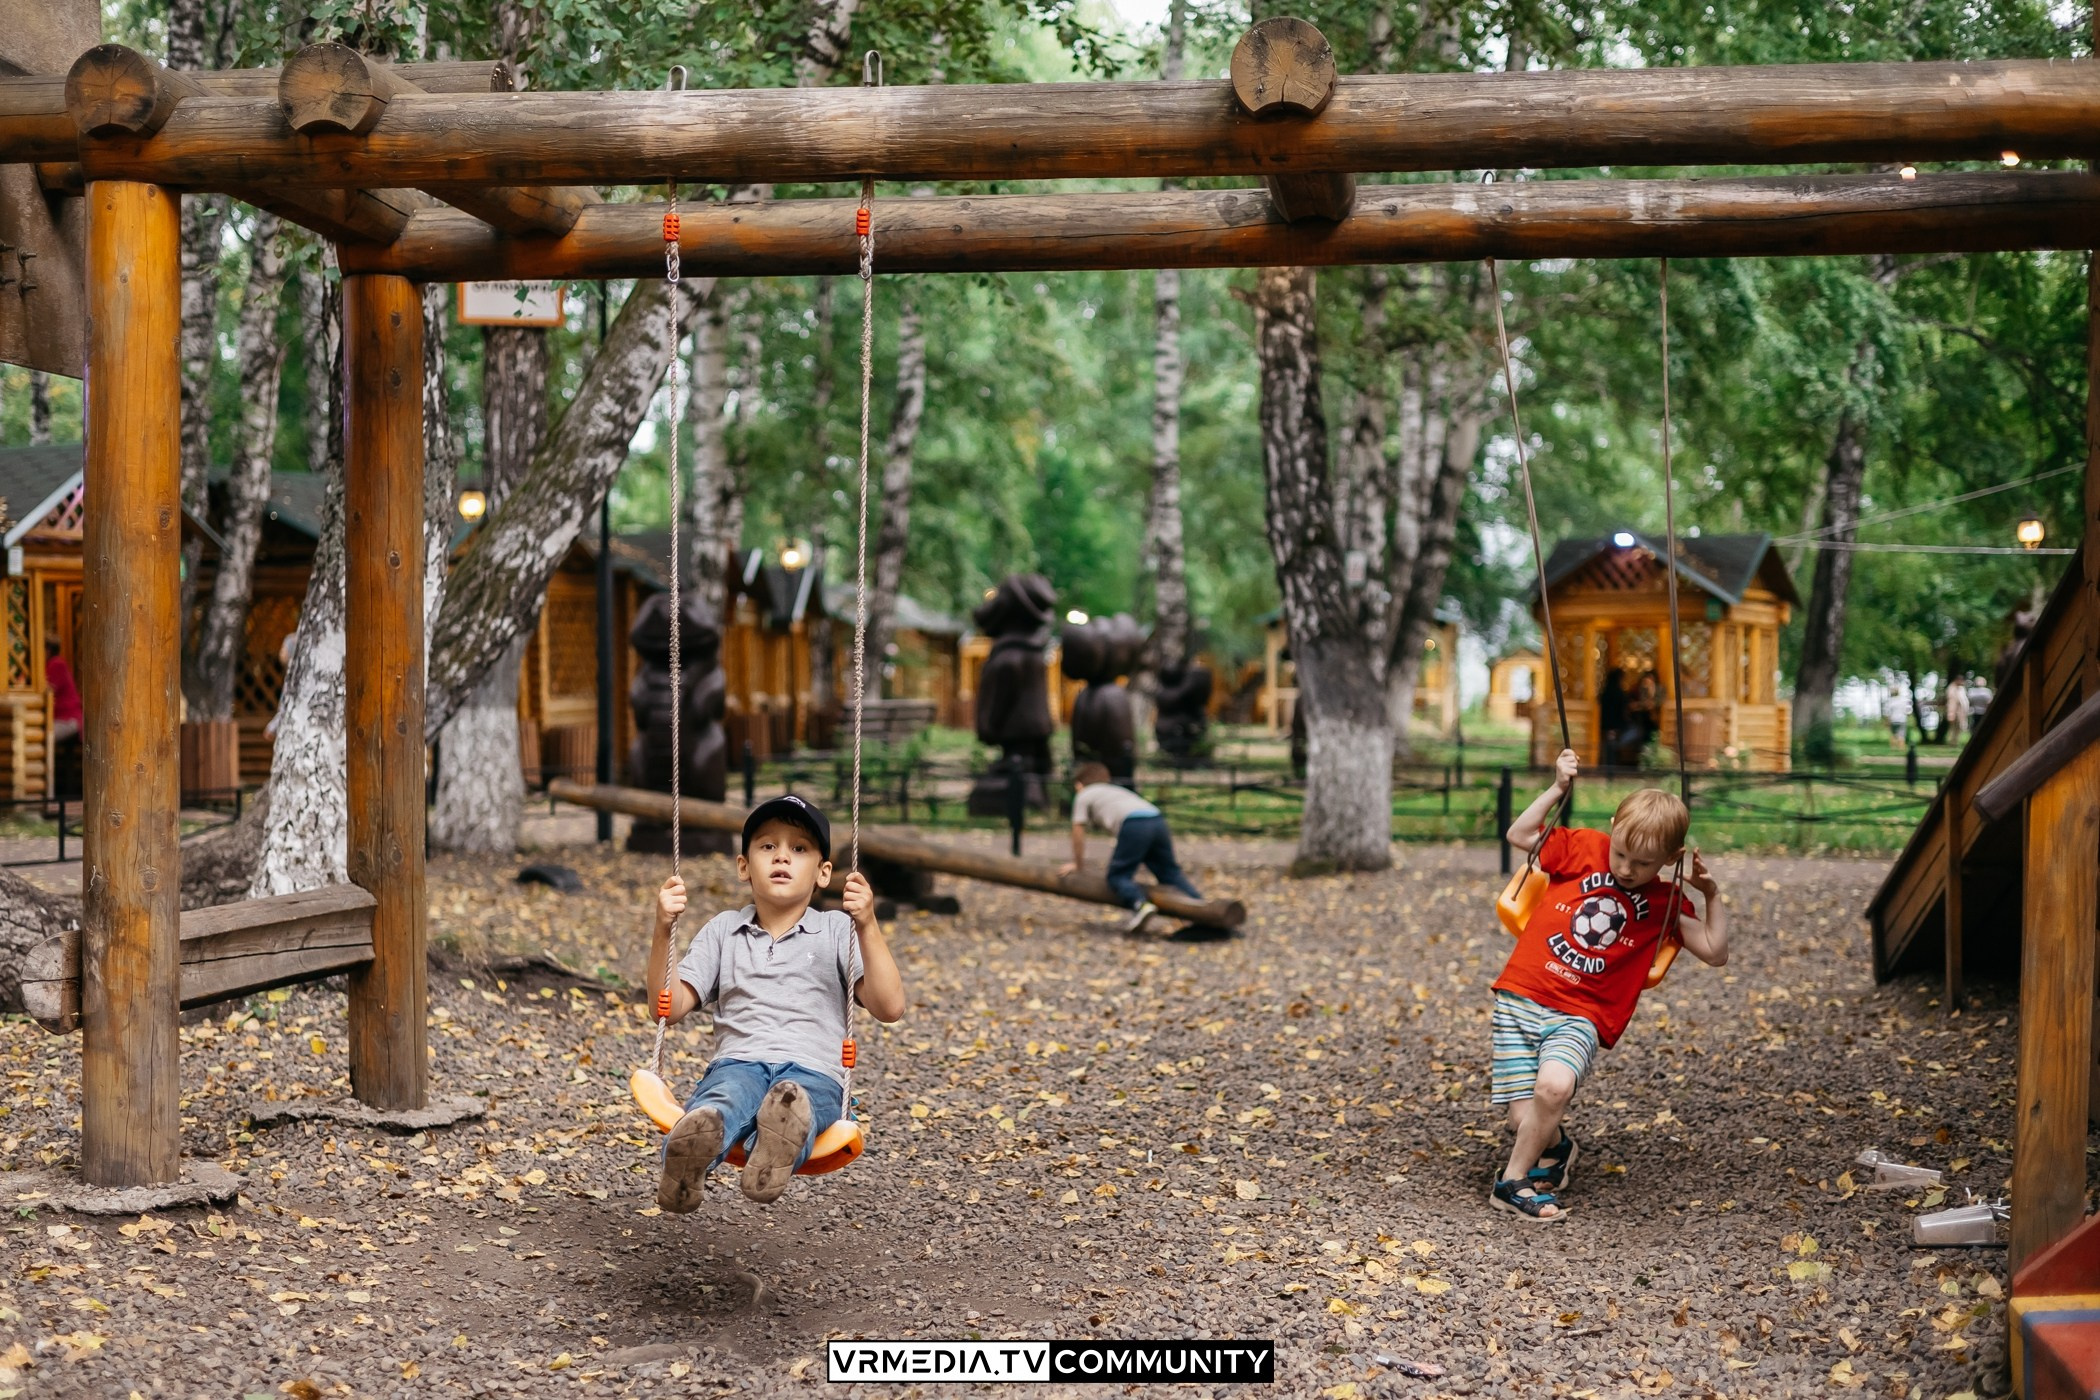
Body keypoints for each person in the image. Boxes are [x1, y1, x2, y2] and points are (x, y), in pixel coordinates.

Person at [1489, 748, 1729, 1221]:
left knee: (1553, 1091)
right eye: (1620, 852)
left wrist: (1712, 894)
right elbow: (1519, 834)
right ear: (1612, 825)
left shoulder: (1665, 902)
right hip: (1520, 997)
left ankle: (1512, 1183)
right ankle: (1557, 1152)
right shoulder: (1582, 847)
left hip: (1582, 1014)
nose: (1625, 868)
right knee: (1526, 1121)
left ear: (1671, 858)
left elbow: (1715, 952)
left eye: (1642, 863)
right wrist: (1558, 788)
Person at [646, 794, 906, 1210]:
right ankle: (689, 1161)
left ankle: (773, 1156)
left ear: (823, 873)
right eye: (768, 846)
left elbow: (890, 1007)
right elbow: (669, 1006)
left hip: (814, 1072)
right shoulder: (723, 930)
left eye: (799, 849)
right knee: (723, 1101)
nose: (782, 857)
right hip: (738, 1064)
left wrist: (868, 924)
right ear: (744, 867)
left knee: (796, 1104)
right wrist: (663, 929)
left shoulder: (838, 931)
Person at [1061, 761, 1203, 934]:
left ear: (1079, 785)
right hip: (1157, 820)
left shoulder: (1084, 794)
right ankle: (1204, 909)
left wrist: (1077, 864)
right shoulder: (1115, 791)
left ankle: (1139, 904)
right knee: (1169, 873)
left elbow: (1077, 831)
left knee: (1117, 876)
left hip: (1135, 824)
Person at [43, 641, 79, 745]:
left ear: (48, 651)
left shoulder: (57, 664)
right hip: (62, 719)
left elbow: (48, 689)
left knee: (42, 737)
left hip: (67, 719)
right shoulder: (52, 664)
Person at [1943, 673, 1969, 742]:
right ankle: (1951, 740)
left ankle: (1955, 740)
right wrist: (1951, 712)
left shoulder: (1961, 688)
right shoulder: (1951, 688)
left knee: (1959, 727)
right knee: (1953, 727)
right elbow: (1951, 701)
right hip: (1953, 710)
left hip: (1960, 711)